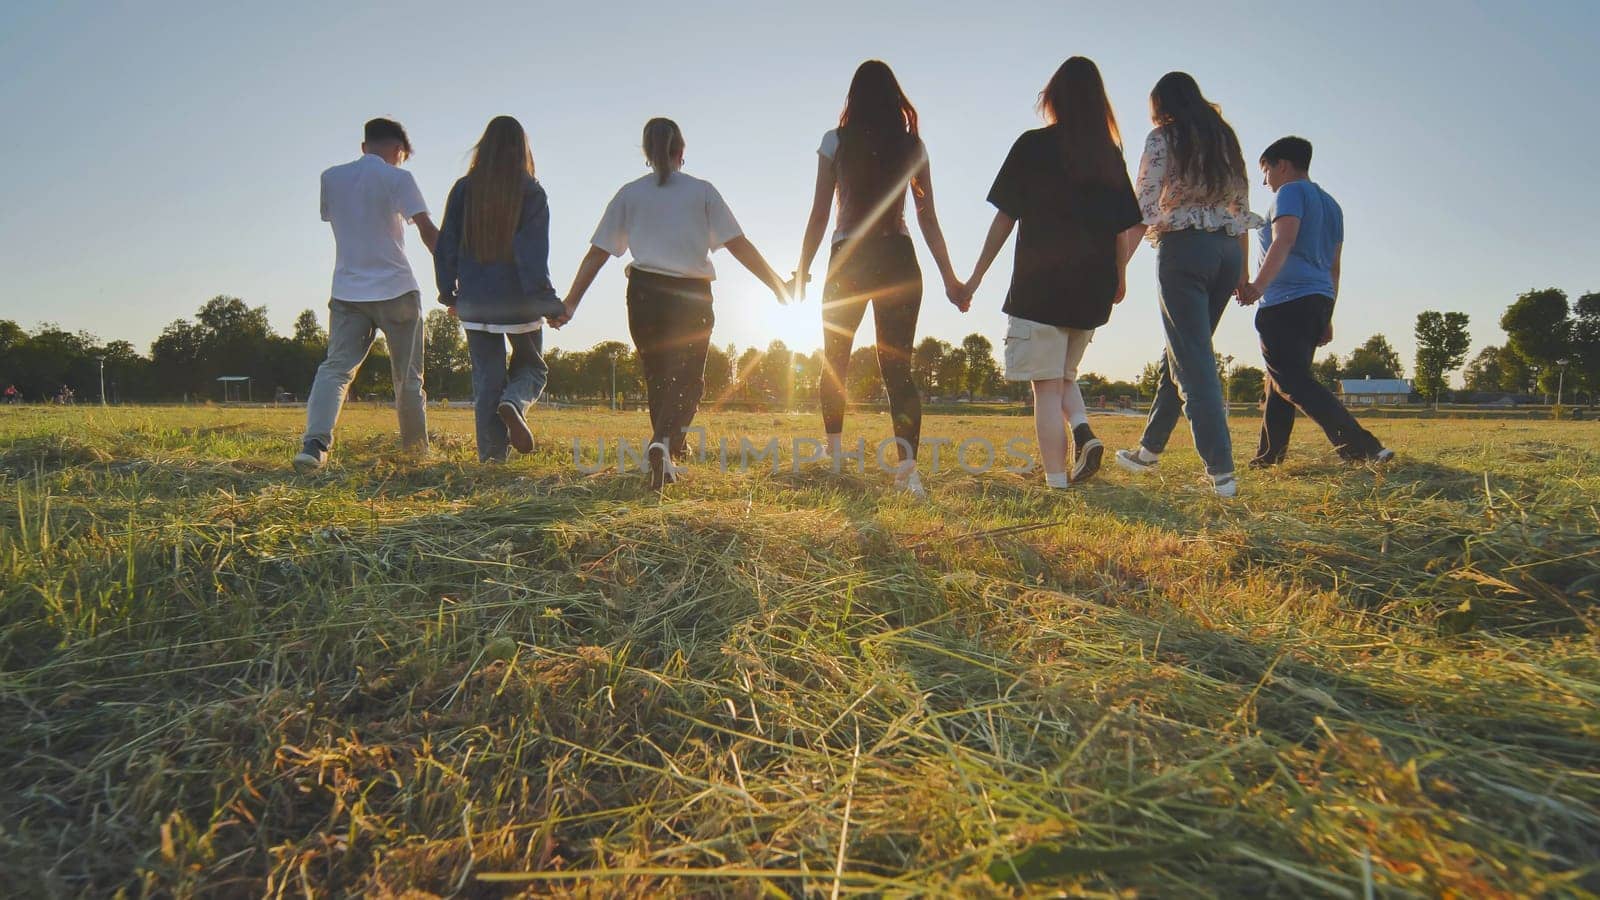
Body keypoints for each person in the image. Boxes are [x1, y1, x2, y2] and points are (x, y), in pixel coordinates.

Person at [552, 117, 791, 490]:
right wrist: (776, 284)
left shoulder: (629, 194)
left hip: (644, 294)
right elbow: (738, 244)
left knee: (659, 378)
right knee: (687, 380)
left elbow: (597, 254)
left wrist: (571, 303)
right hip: (690, 295)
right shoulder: (703, 191)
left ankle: (670, 451)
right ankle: (664, 446)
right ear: (682, 151)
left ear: (647, 153)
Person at [962, 57, 1144, 488]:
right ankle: (1082, 430)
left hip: (1039, 286)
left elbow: (1004, 219)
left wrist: (975, 278)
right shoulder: (1108, 155)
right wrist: (1120, 276)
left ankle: (1057, 483)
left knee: (1045, 387)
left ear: (1053, 98)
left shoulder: (1032, 145)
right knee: (1064, 375)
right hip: (1091, 289)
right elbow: (1128, 225)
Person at [795, 60, 965, 498]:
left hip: (847, 258)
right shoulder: (912, 146)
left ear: (852, 97)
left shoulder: (836, 142)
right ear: (895, 99)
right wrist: (949, 277)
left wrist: (803, 269)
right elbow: (928, 219)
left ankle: (834, 462)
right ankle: (909, 473)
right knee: (898, 369)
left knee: (836, 363)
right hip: (897, 258)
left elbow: (818, 213)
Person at [1113, 72, 1263, 498]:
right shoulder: (1224, 138)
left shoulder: (1164, 138)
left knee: (1193, 360)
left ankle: (1222, 473)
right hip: (1227, 251)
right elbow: (1241, 206)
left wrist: (1118, 268)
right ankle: (1148, 450)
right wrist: (1243, 272)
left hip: (1185, 251)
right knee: (1182, 351)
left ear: (1161, 104)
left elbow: (1143, 206)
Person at [294, 117, 438, 474]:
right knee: (408, 377)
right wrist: (454, 276)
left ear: (363, 146)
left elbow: (342, 221)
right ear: (398, 151)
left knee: (336, 368)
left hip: (347, 291)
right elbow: (427, 230)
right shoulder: (399, 178)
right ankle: (416, 455)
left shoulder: (331, 178)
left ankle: (315, 445)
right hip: (397, 289)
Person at [1238, 136, 1393, 466]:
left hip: (1285, 302)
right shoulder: (1331, 205)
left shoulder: (1290, 192)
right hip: (1317, 298)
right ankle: (1268, 458)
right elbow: (1334, 267)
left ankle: (1362, 448)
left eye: (1265, 171)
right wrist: (1328, 315)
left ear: (1282, 165)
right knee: (1278, 383)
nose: (1265, 181)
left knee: (1291, 380)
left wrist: (1257, 287)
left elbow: (1284, 239)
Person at [435, 116, 566, 463]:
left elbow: (445, 244)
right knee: (532, 368)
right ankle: (515, 403)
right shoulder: (531, 191)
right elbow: (532, 253)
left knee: (487, 382)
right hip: (519, 302)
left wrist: (449, 293)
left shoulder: (464, 189)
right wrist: (548, 302)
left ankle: (492, 460)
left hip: (476, 302)